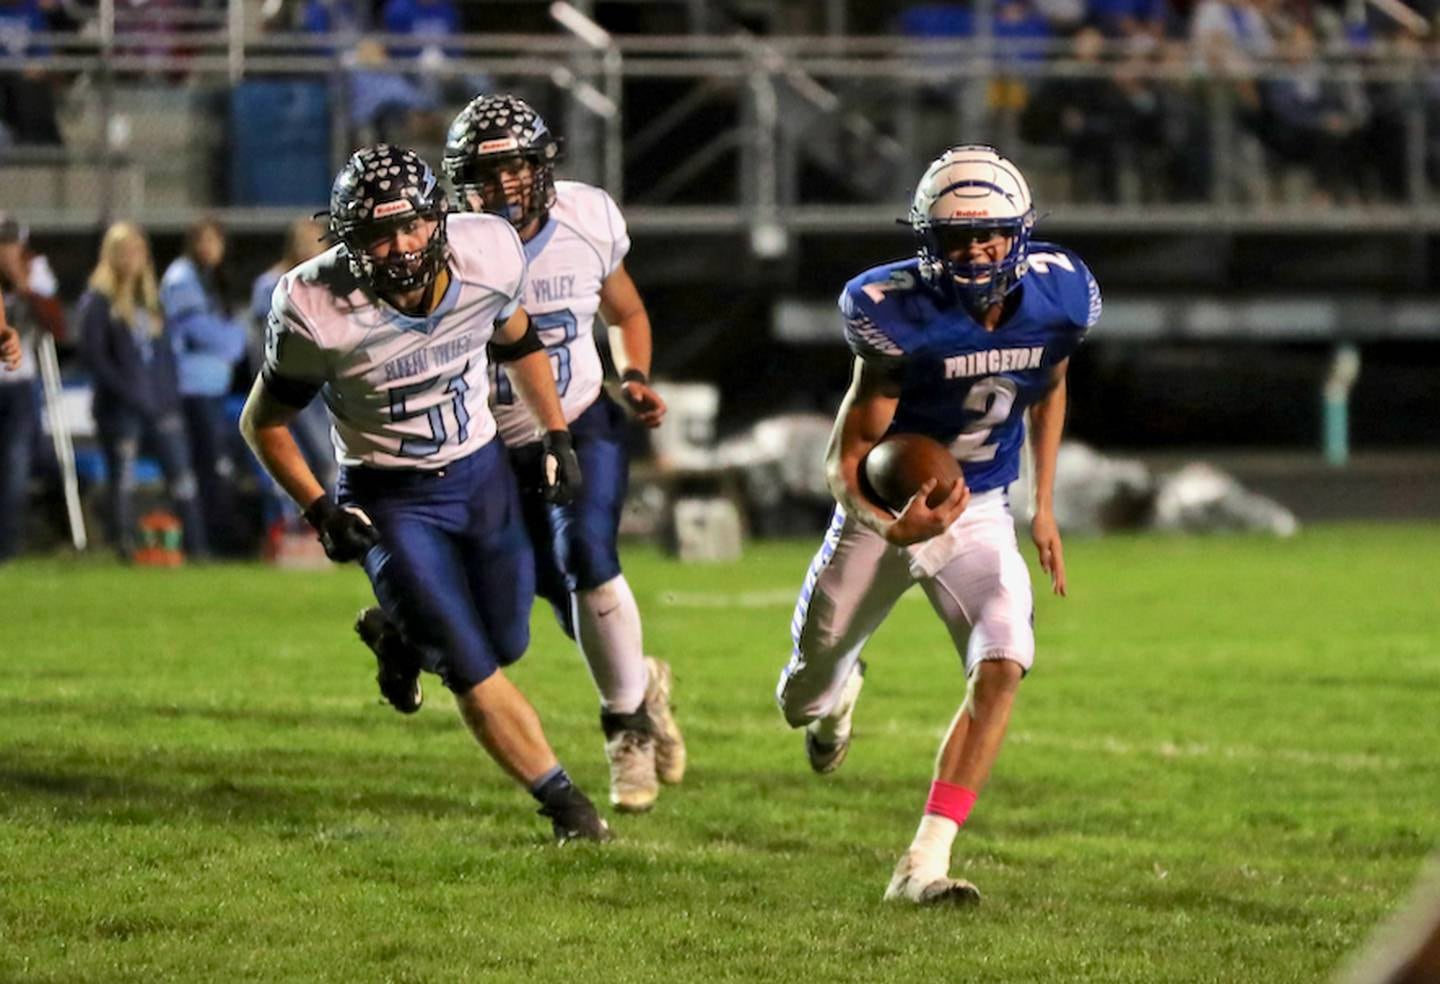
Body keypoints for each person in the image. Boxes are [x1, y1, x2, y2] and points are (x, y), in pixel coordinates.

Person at [240, 144, 610, 843]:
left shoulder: (488, 253)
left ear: (439, 217)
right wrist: (319, 509)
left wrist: (555, 434)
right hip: (391, 498)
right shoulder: (315, 307)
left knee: (504, 640)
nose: (402, 246)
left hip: (480, 472)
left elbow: (519, 341)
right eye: (380, 234)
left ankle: (400, 637)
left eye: (412, 225)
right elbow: (263, 423)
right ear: (350, 242)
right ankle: (568, 808)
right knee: (471, 667)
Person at [774, 145, 1100, 905]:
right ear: (929, 242)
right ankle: (835, 701)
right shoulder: (891, 311)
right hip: (892, 509)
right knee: (803, 695)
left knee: (1004, 655)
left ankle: (922, 862)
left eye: (990, 235)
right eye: (958, 239)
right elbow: (846, 456)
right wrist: (888, 526)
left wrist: (1042, 502)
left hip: (981, 503)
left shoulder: (1062, 296)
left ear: (1020, 233)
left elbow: (1049, 385)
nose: (977, 250)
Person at [353, 94, 685, 815]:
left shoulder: (586, 218)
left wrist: (634, 374)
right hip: (487, 446)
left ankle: (626, 729)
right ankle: (639, 682)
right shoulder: (449, 242)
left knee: (589, 559)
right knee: (526, 615)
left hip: (579, 420)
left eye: (518, 167)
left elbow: (625, 309)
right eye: (486, 170)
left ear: (545, 165)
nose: (505, 185)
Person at [77, 222, 209, 559]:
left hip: (163, 405)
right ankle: (124, 546)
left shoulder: (151, 300)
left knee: (183, 479)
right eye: (125, 251)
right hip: (121, 408)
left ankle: (197, 548)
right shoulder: (98, 301)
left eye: (138, 251)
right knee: (123, 479)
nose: (133, 259)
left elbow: (166, 356)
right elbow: (95, 357)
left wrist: (168, 394)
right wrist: (128, 393)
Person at [161, 218, 248, 553]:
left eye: (215, 241)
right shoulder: (183, 279)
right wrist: (235, 341)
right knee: (210, 466)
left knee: (216, 465)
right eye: (204, 241)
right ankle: (212, 542)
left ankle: (215, 539)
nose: (209, 248)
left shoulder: (210, 278)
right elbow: (204, 332)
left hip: (212, 388)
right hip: (193, 388)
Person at [249, 216, 336, 525]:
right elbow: (262, 342)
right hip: (283, 383)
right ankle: (288, 530)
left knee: (328, 460)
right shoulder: (269, 286)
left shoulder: (325, 282)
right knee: (284, 455)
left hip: (318, 385)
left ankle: (339, 526)